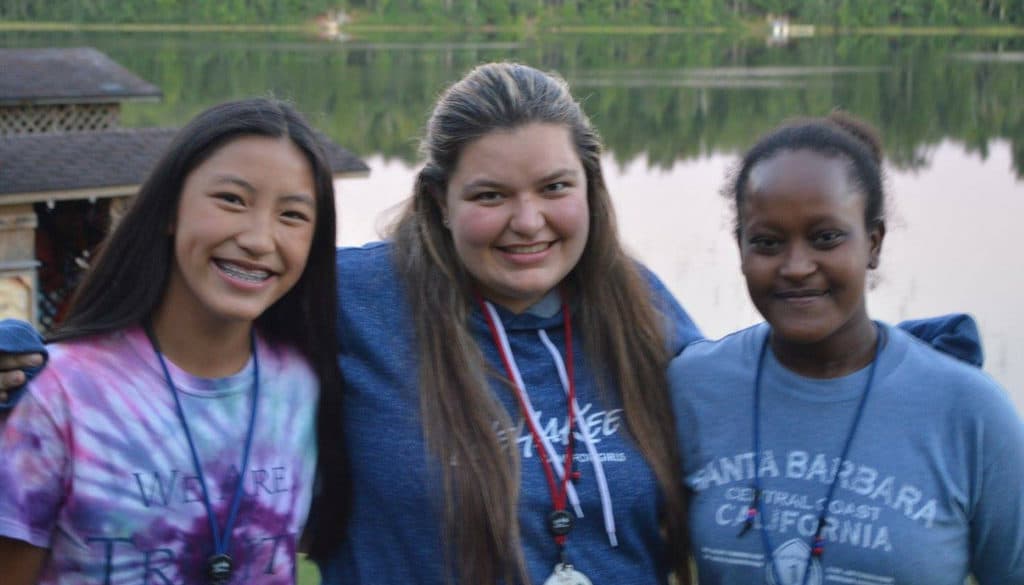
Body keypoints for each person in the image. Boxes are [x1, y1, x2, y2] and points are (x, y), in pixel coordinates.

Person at [0, 98, 348, 584]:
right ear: (168, 210)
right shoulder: (57, 393)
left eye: (292, 215)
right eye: (231, 199)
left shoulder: (303, 385)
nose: (258, 238)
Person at [669, 113, 1024, 585]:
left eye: (826, 237)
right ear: (741, 249)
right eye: (768, 242)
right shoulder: (694, 388)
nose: (796, 266)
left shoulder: (971, 414)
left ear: (873, 243)